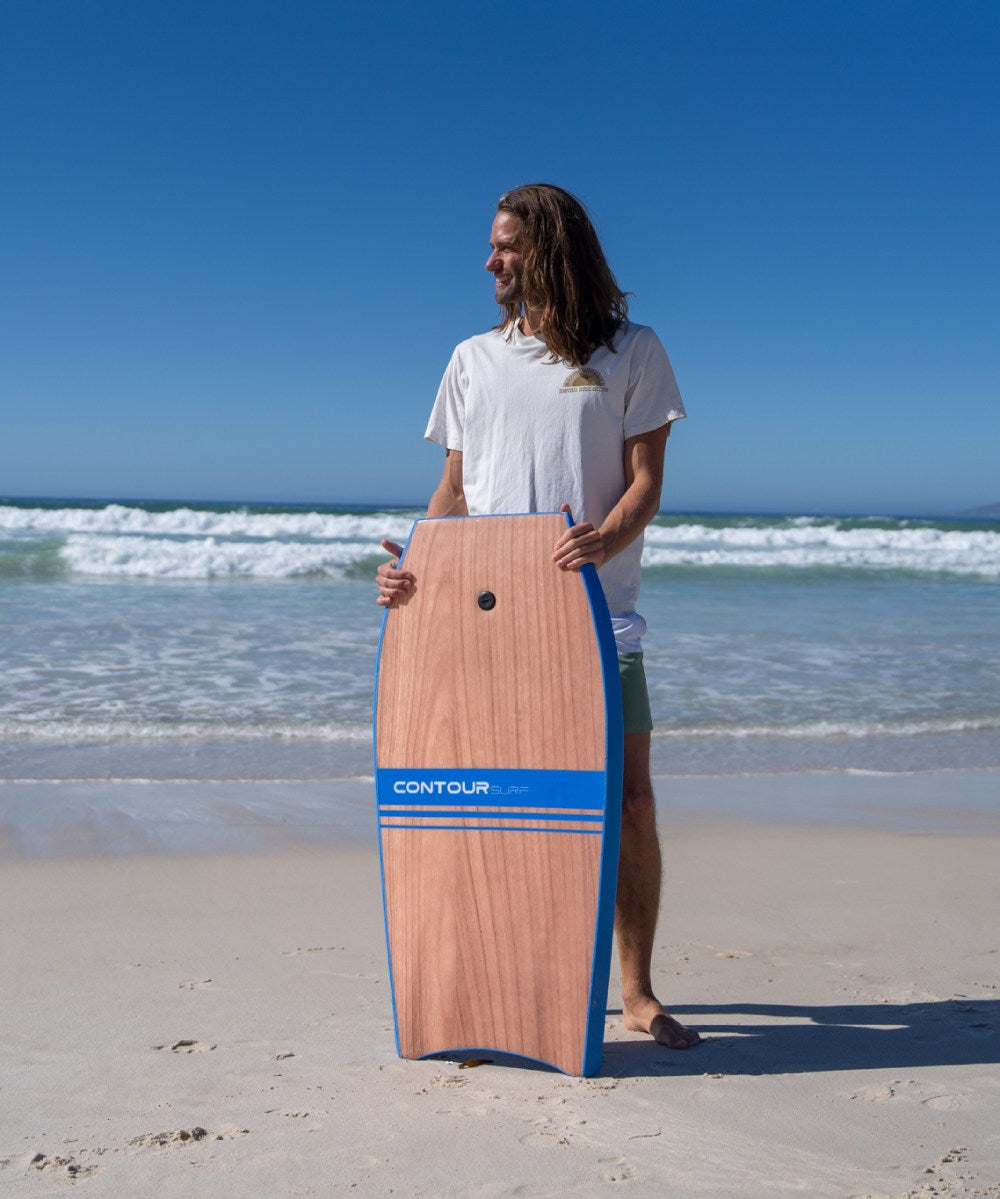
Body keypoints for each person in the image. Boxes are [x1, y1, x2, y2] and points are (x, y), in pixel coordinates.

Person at [376, 183, 700, 1051]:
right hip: (484, 626)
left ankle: (633, 991)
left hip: (596, 621)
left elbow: (645, 487)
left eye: (507, 245)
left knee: (628, 802)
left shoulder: (634, 351)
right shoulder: (470, 360)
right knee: (492, 806)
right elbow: (453, 490)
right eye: (492, 246)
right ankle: (507, 977)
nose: (491, 261)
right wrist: (411, 569)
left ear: (551, 248)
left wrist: (605, 541)